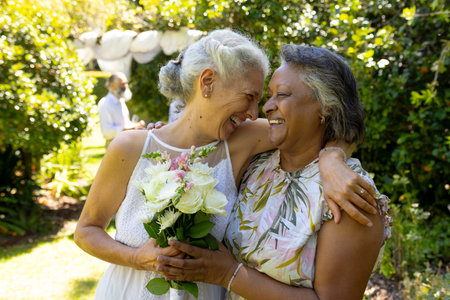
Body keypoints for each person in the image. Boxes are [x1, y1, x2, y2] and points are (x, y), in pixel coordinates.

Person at [74, 30, 378, 300]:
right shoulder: (131, 148)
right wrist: (138, 258)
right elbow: (86, 230)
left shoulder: (244, 142)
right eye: (251, 97)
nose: (256, 111)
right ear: (207, 82)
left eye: (265, 98)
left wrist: (333, 159)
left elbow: (325, 125)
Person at [155, 45, 391, 300]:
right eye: (269, 95)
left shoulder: (348, 194)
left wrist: (228, 274)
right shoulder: (255, 163)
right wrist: (161, 136)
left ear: (326, 107)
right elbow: (194, 133)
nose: (267, 107)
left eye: (283, 95)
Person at [98, 72, 145, 148]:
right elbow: (106, 132)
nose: (126, 86)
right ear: (112, 85)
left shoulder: (121, 101)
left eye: (126, 83)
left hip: (126, 143)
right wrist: (129, 128)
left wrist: (136, 125)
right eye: (122, 84)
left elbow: (124, 123)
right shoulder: (105, 103)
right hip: (114, 145)